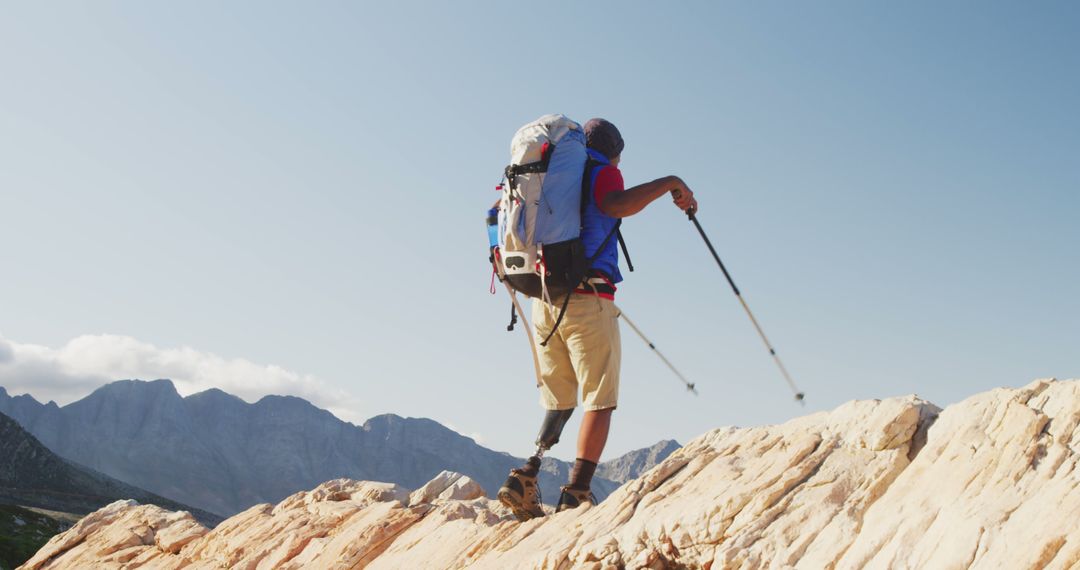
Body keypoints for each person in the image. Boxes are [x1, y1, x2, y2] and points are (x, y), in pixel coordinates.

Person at [497, 118, 698, 521]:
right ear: (615, 151)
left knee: (560, 396)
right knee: (600, 400)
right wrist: (671, 182)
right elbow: (614, 205)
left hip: (544, 299)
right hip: (588, 298)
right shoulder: (601, 170)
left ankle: (526, 475)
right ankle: (578, 491)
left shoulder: (548, 173)